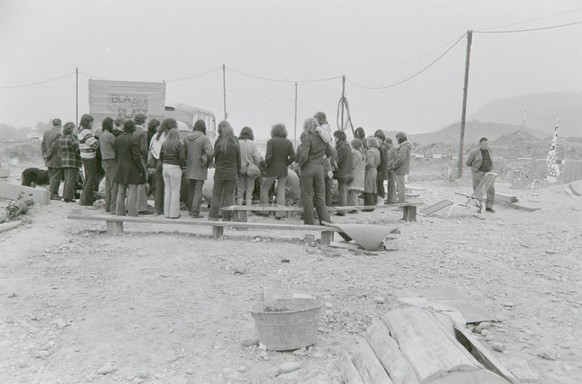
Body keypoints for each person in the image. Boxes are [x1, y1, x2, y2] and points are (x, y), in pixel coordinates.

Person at [297, 117, 333, 225]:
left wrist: (300, 166)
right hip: (319, 168)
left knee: (308, 196)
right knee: (320, 196)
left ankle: (309, 221)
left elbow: (304, 156)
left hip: (308, 167)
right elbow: (331, 152)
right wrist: (322, 159)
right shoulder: (323, 139)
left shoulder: (307, 138)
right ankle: (325, 220)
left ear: (307, 127)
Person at [260, 123, 295, 219]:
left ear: (274, 131)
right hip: (283, 169)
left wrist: (268, 165)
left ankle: (265, 211)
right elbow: (293, 157)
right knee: (281, 190)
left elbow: (268, 157)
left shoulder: (271, 141)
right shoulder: (288, 142)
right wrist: (286, 163)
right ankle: (280, 213)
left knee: (264, 188)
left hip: (272, 169)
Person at [208, 121, 240, 221]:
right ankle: (227, 217)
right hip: (231, 172)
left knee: (216, 194)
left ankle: (213, 216)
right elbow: (238, 160)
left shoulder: (219, 145)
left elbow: (216, 159)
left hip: (220, 172)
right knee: (229, 195)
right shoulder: (235, 145)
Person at [184, 119, 214, 218]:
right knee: (198, 190)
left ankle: (190, 210)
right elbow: (210, 152)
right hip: (200, 167)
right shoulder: (204, 139)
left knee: (191, 190)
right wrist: (206, 161)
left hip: (190, 166)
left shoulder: (187, 138)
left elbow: (184, 152)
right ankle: (195, 212)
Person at [115, 120, 146, 216]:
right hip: (132, 168)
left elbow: (116, 154)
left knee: (121, 192)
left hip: (120, 167)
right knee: (132, 192)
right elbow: (136, 156)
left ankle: (119, 212)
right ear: (133, 128)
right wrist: (141, 169)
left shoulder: (118, 138)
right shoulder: (134, 139)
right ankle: (132, 213)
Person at [160, 126, 186, 219]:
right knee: (175, 191)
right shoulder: (179, 144)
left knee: (167, 191)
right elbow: (182, 157)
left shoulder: (164, 143)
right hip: (174, 167)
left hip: (165, 167)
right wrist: (181, 166)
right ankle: (174, 214)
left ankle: (166, 213)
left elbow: (160, 157)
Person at [465, 137, 495, 212]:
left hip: (489, 172)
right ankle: (479, 206)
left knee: (491, 189)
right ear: (480, 144)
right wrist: (476, 168)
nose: (486, 145)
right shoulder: (474, 152)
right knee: (478, 190)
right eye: (485, 144)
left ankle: (489, 206)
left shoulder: (490, 150)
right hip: (479, 173)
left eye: (487, 143)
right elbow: (468, 163)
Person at [149, 119, 171, 215]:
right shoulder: (169, 136)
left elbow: (151, 149)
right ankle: (166, 209)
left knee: (158, 186)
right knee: (168, 187)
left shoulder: (155, 136)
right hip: (167, 161)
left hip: (158, 162)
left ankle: (157, 209)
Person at [237, 127, 262, 207]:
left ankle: (239, 209)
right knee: (249, 191)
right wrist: (254, 165)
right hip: (250, 170)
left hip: (240, 170)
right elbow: (257, 158)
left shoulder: (237, 142)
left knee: (240, 190)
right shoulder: (252, 144)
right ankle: (247, 210)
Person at [314, 112, 335, 206]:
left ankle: (322, 206)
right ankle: (327, 206)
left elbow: (327, 139)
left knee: (321, 185)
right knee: (327, 185)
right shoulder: (326, 129)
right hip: (327, 161)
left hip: (323, 161)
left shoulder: (322, 129)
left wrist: (318, 130)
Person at [78, 114, 99, 206]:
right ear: (87, 122)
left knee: (87, 179)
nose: (92, 124)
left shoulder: (80, 130)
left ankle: (85, 200)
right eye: (91, 122)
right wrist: (97, 139)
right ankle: (86, 200)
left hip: (84, 156)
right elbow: (94, 145)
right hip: (89, 157)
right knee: (91, 179)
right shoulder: (86, 132)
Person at [58, 122, 81, 203]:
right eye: (75, 129)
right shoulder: (72, 138)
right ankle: (69, 197)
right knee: (72, 179)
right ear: (71, 129)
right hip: (73, 161)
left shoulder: (62, 138)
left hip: (64, 160)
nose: (76, 130)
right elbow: (77, 150)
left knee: (67, 179)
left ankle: (65, 195)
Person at [41, 118, 63, 200]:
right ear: (60, 125)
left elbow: (43, 145)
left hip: (48, 160)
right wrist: (48, 155)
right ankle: (53, 194)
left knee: (51, 177)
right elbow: (54, 147)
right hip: (56, 160)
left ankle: (51, 193)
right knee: (56, 178)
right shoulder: (59, 134)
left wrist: (44, 155)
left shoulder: (46, 133)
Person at [99, 117, 118, 213]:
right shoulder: (110, 136)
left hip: (104, 161)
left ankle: (108, 206)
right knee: (114, 184)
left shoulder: (101, 135)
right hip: (111, 160)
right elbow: (117, 146)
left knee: (108, 185)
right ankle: (113, 208)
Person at [133, 113, 150, 214]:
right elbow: (143, 148)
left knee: (133, 183)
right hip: (141, 158)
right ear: (143, 121)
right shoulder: (143, 132)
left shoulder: (132, 130)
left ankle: (132, 205)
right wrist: (147, 158)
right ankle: (141, 207)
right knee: (141, 182)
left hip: (132, 159)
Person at [332, 130, 352, 216]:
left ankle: (341, 211)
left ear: (339, 138)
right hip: (348, 172)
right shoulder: (348, 147)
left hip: (342, 172)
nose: (334, 139)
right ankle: (343, 210)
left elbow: (338, 161)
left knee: (342, 192)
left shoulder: (341, 147)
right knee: (343, 191)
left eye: (336, 137)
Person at [392, 131, 412, 203]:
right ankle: (401, 203)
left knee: (400, 188)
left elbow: (401, 159)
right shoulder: (405, 146)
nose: (397, 140)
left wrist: (393, 166)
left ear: (400, 139)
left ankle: (402, 204)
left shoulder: (403, 147)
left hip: (400, 170)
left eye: (397, 139)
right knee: (401, 187)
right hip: (402, 170)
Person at [363, 136, 381, 210]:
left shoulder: (370, 151)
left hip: (370, 170)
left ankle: (368, 206)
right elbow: (379, 162)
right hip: (375, 169)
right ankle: (373, 204)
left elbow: (370, 162)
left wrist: (363, 167)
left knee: (368, 187)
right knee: (374, 187)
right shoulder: (377, 151)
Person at [347, 139, 365, 210]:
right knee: (354, 193)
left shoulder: (355, 153)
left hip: (355, 174)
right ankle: (353, 207)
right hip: (358, 174)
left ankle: (354, 208)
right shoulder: (360, 153)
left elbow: (352, 165)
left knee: (353, 193)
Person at [374, 130, 389, 203]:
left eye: (377, 138)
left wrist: (378, 168)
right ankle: (381, 200)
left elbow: (382, 160)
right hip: (382, 170)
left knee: (379, 185)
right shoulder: (384, 147)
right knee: (380, 185)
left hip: (380, 170)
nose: (376, 139)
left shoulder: (381, 148)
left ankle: (380, 200)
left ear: (381, 139)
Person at [385, 138, 398, 204]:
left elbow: (396, 159)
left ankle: (393, 200)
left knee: (392, 184)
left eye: (387, 143)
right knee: (389, 184)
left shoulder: (394, 149)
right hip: (389, 169)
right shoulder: (388, 149)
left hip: (392, 169)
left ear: (390, 143)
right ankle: (390, 199)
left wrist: (392, 166)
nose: (386, 145)